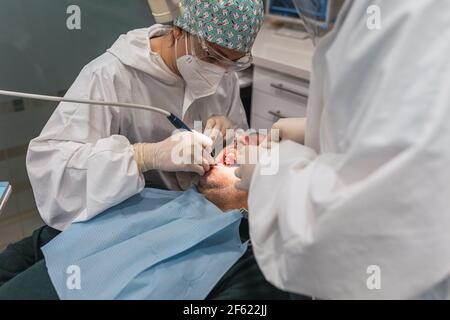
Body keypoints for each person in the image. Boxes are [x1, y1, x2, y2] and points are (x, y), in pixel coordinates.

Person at [235, 0, 450, 299]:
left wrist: (267, 171)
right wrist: (319, 128)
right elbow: (392, 121)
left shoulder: (412, 16)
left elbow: (364, 221)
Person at [26, 0, 264, 231]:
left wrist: (228, 135)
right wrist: (142, 156)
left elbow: (239, 156)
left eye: (231, 63)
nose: (218, 72)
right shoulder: (111, 76)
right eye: (212, 57)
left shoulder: (225, 77)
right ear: (179, 31)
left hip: (188, 220)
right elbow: (52, 167)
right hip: (120, 222)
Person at [0, 142, 292, 300]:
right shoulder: (145, 197)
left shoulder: (251, 268)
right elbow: (41, 244)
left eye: (261, 150)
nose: (240, 143)